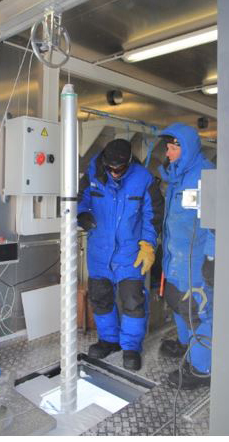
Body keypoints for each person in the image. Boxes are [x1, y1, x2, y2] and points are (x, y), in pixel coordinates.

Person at [76, 138, 163, 371]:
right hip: (99, 253)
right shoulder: (94, 172)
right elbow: (80, 199)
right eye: (110, 168)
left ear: (129, 162)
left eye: (120, 169)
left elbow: (152, 216)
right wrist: (82, 214)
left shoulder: (143, 179)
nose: (114, 173)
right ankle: (109, 340)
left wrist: (148, 245)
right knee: (101, 299)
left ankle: (132, 347)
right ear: (105, 161)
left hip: (130, 253)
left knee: (133, 302)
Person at [155, 123, 215, 390]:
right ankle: (184, 345)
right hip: (176, 260)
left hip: (197, 262)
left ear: (185, 147)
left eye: (171, 148)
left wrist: (213, 260)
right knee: (179, 304)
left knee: (199, 313)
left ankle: (202, 369)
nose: (167, 154)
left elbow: (217, 223)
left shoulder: (206, 176)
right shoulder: (176, 177)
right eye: (167, 148)